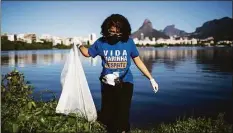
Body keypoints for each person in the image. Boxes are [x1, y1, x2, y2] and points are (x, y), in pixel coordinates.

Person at [74, 14, 159, 133]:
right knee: (108, 116)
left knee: (123, 113)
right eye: (111, 32)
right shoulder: (101, 42)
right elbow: (87, 53)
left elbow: (138, 60)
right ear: (106, 30)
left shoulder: (128, 42)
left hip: (126, 82)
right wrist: (79, 45)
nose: (114, 35)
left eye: (118, 32)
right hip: (107, 84)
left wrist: (151, 78)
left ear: (123, 31)